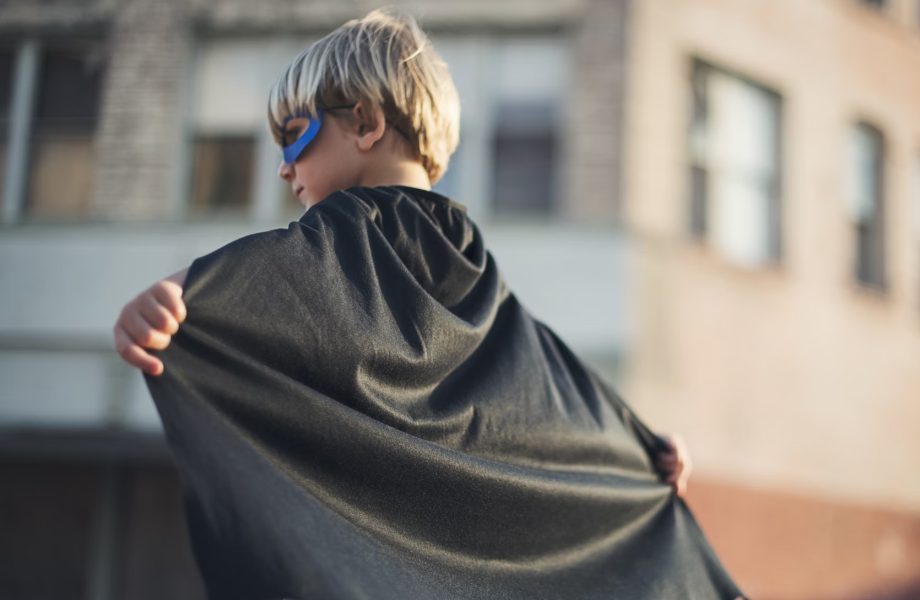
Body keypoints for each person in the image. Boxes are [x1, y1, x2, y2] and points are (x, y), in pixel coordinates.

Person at [113, 9, 743, 599]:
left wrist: (179, 296)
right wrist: (635, 445)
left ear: (364, 123)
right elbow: (541, 382)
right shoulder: (467, 254)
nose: (284, 168)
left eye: (294, 136)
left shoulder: (349, 230)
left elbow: (273, 274)